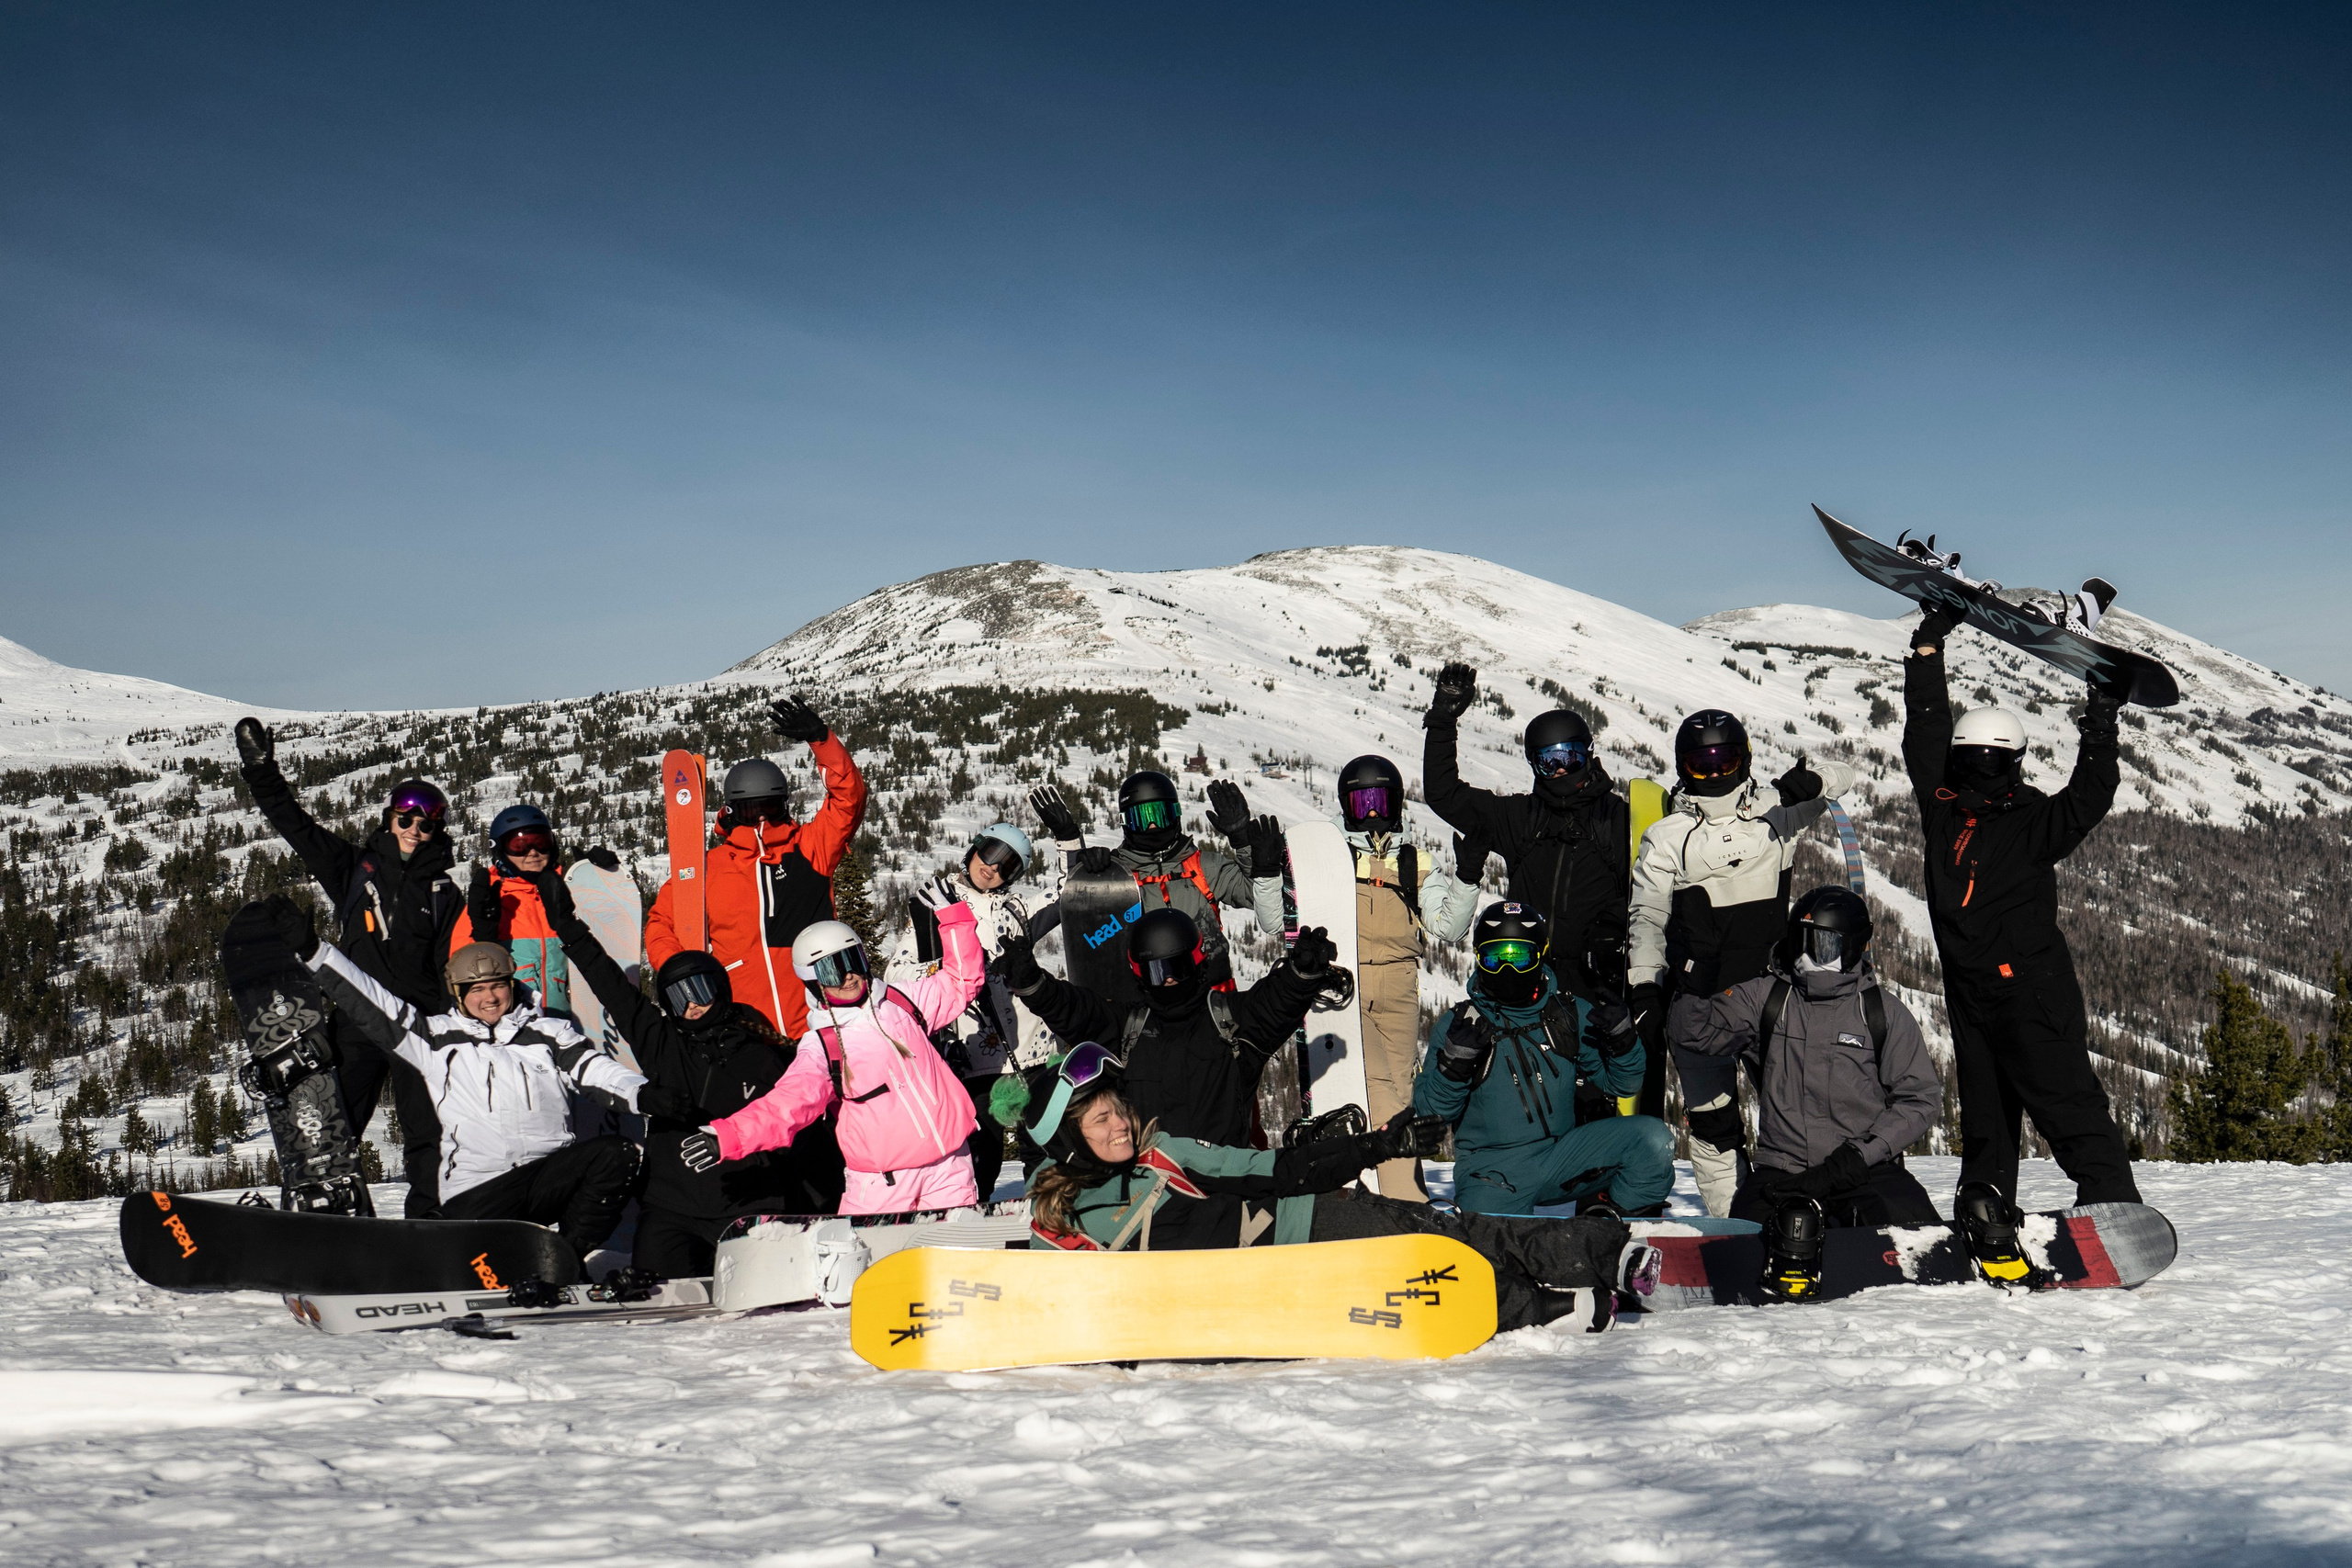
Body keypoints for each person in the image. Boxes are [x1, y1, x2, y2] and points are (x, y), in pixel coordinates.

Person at [1008, 1044, 1662, 1334]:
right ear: (1065, 1138)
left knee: (1451, 1236)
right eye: (1101, 1120)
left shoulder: (1162, 1154)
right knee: (1439, 1252)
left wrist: (1376, 1146)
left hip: (1311, 1225)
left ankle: (1604, 1256)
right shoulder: (1057, 1210)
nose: (1121, 1124)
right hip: (1282, 1274)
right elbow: (1051, 1293)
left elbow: (1272, 1169)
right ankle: (1567, 1299)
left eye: (1118, 1109)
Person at [1905, 601, 2142, 1281]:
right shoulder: (1986, 812)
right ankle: (1986, 1212)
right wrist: (2100, 722)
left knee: (2060, 1105)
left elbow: (1925, 731)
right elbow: (2091, 793)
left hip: (2027, 993)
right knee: (1995, 1117)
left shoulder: (1952, 808)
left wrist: (1927, 648)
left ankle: (2112, 1206)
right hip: (1985, 993)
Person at [253, 896, 650, 1261]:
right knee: (453, 1231)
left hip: (546, 1180)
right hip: (477, 1193)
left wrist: (645, 1096)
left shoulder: (550, 1034)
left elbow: (597, 1071)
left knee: (617, 1153)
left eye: (497, 986)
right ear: (459, 995)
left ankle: (563, 1261)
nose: (489, 998)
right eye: (476, 990)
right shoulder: (433, 1038)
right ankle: (435, 1253)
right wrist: (315, 952)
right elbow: (371, 1000)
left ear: (512, 986)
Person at [525, 868, 845, 1278]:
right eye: (678, 997)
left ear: (720, 990)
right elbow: (612, 989)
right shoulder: (663, 1043)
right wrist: (569, 928)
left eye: (700, 992)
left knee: (767, 1301)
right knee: (659, 1291)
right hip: (673, 1207)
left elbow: (798, 1127)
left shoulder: (766, 1053)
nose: (692, 1006)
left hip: (751, 1206)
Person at [1625, 711, 1855, 1216]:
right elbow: (1646, 916)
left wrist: (1813, 779)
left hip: (1771, 999)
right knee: (1713, 1124)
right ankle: (1735, 1226)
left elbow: (1845, 777)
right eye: (1699, 765)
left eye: (1723, 760)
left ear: (1744, 759)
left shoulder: (1779, 811)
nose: (1713, 775)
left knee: (1798, 1114)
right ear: (1682, 769)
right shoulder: (1667, 835)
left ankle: (1811, 1214)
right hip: (1700, 1002)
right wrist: (1645, 985)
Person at [232, 717, 456, 1214]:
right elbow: (296, 825)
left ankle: (431, 1223)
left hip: (415, 1026)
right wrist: (260, 770)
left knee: (428, 1136)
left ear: (436, 830)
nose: (415, 830)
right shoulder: (355, 868)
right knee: (333, 1128)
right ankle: (319, 1212)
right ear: (389, 818)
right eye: (406, 818)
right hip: (357, 1020)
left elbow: (451, 968)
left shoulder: (445, 893)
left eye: (426, 823)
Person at [1680, 886, 1943, 1300]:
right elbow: (1695, 1033)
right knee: (1744, 1245)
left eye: (1821, 946)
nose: (1805, 959)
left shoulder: (1881, 1012)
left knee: (1918, 1240)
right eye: (1798, 943)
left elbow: (1920, 1100)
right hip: (1785, 1171)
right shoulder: (1769, 996)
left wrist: (1858, 1157)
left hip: (1864, 1169)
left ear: (1853, 947)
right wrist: (1697, 975)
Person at [680, 880, 984, 1214]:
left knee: (955, 1257)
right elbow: (787, 1106)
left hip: (951, 1166)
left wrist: (953, 919)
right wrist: (728, 1136)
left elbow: (962, 981)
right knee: (875, 1263)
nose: (848, 976)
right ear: (813, 980)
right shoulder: (823, 1046)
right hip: (884, 1185)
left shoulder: (902, 1001)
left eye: (852, 960)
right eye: (831, 969)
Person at [993, 907, 1338, 1148]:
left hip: (1225, 1183)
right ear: (1140, 974)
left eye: (1179, 967)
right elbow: (1074, 1010)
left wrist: (1300, 976)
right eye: (1159, 971)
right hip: (1148, 1187)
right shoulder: (1127, 1026)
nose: (1170, 978)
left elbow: (1274, 1005)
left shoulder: (1230, 1022)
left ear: (1198, 963)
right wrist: (1033, 984)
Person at [1414, 902, 1676, 1219]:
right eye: (1495, 958)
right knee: (1494, 1254)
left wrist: (1624, 1041)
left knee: (1652, 1141)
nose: (1507, 970)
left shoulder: (1567, 1014)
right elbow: (1430, 1115)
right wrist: (1452, 1070)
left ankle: (1608, 1227)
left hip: (1562, 1157)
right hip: (1493, 1171)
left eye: (1519, 957)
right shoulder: (1462, 1025)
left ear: (1540, 955)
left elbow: (1624, 1084)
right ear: (1479, 960)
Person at [646, 696, 869, 1039]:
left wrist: (822, 740)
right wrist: (683, 973)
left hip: (819, 1022)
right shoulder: (709, 869)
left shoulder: (811, 848)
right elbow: (662, 923)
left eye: (771, 806)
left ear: (785, 805)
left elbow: (849, 800)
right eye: (752, 810)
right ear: (733, 811)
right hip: (746, 1028)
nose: (763, 817)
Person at [1420, 665, 1632, 1001]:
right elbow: (1444, 794)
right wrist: (1443, 721)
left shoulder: (1620, 821)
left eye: (1570, 757)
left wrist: (1613, 930)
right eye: (1549, 761)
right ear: (1535, 765)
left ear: (1588, 755)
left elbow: (1649, 896)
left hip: (1599, 983)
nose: (1560, 768)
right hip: (1527, 979)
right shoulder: (1521, 818)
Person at [883, 823, 1061, 1203]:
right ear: (974, 849)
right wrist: (952, 967)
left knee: (1044, 1151)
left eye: (1007, 867)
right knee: (980, 1158)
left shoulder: (1016, 909)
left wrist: (1070, 842)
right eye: (991, 854)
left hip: (1033, 1052)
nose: (993, 868)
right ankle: (971, 1225)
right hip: (975, 1060)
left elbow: (1066, 893)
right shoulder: (937, 902)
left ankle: (1050, 1224)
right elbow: (897, 975)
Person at [1331, 753, 1481, 1199]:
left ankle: (1381, 1197)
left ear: (1396, 804)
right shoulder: (1331, 857)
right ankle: (1408, 1198)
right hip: (1347, 984)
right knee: (1380, 1092)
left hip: (1399, 989)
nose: (1373, 813)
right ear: (1347, 806)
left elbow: (1449, 927)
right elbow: (1278, 917)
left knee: (1400, 1095)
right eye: (1363, 803)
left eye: (1380, 801)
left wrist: (1468, 877)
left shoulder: (1414, 861)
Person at [1027, 773, 1284, 1010]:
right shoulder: (1115, 876)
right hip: (1145, 1004)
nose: (1152, 827)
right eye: (1142, 818)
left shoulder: (1203, 866)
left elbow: (1258, 895)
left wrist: (1243, 842)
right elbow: (1077, 915)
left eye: (1159, 815)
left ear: (1175, 815)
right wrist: (1087, 875)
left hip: (1212, 999)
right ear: (1126, 823)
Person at [449, 802, 574, 1015]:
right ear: (500, 850)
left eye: (541, 842)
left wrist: (600, 877)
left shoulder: (566, 894)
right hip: (513, 1027)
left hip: (566, 1024)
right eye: (520, 845)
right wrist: (484, 937)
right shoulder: (489, 902)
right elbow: (461, 972)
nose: (533, 852)